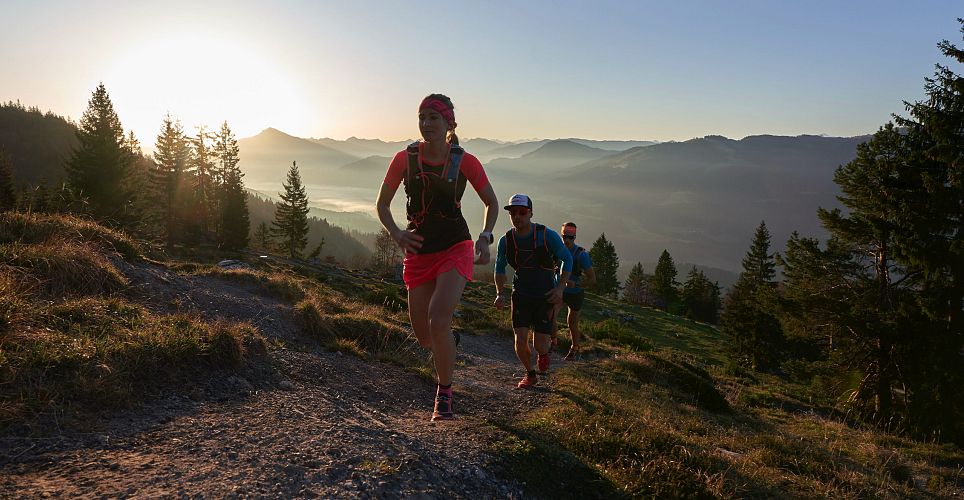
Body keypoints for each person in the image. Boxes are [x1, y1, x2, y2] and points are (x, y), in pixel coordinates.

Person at [376, 94, 499, 421]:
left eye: (433, 117)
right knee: (425, 335)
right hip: (418, 250)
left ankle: (444, 394)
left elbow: (492, 203)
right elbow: (382, 205)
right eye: (422, 117)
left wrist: (485, 237)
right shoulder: (405, 159)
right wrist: (396, 234)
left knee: (438, 317)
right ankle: (450, 342)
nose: (426, 123)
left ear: (449, 124)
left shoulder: (465, 162)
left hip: (456, 247)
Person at [493, 194, 572, 388]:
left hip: (545, 294)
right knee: (520, 340)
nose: (517, 216)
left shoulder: (547, 235)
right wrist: (499, 293)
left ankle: (544, 354)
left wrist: (560, 288)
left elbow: (567, 259)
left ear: (530, 213)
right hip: (520, 294)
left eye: (522, 212)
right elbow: (499, 267)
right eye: (513, 213)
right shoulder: (507, 240)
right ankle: (530, 373)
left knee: (540, 344)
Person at [552, 222, 596, 361]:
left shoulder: (581, 255)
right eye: (565, 237)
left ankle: (574, 348)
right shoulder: (557, 251)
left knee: (572, 323)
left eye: (570, 237)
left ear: (575, 237)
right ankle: (553, 342)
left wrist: (576, 283)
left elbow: (592, 279)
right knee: (551, 315)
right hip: (559, 290)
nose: (567, 240)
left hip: (575, 293)